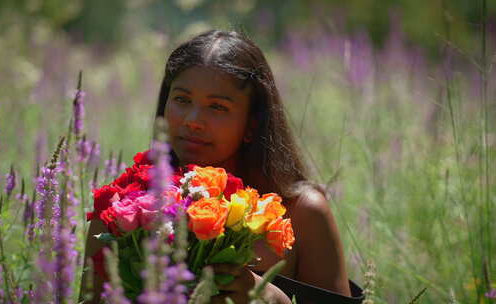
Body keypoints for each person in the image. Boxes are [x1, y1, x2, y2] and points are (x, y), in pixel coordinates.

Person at [81, 30, 364, 303]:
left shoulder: (303, 212)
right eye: (181, 99)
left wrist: (269, 297)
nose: (192, 119)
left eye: (217, 107)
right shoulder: (126, 206)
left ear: (252, 123)